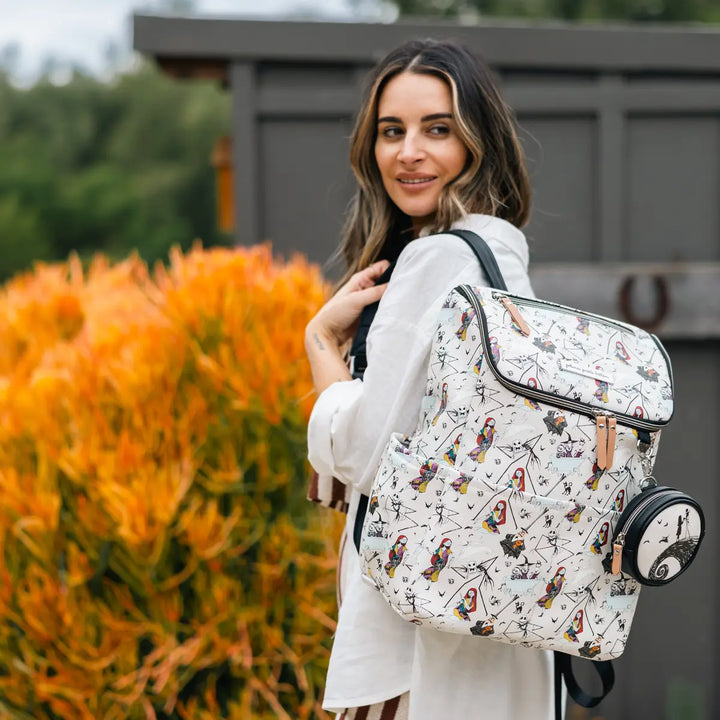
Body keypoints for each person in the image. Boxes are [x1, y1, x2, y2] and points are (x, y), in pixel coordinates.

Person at [305, 39, 553, 720]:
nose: (408, 152)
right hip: (499, 620)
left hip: (420, 642)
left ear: (478, 144)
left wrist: (322, 345)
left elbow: (362, 454)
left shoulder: (438, 261)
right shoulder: (503, 262)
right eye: (392, 131)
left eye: (437, 129)